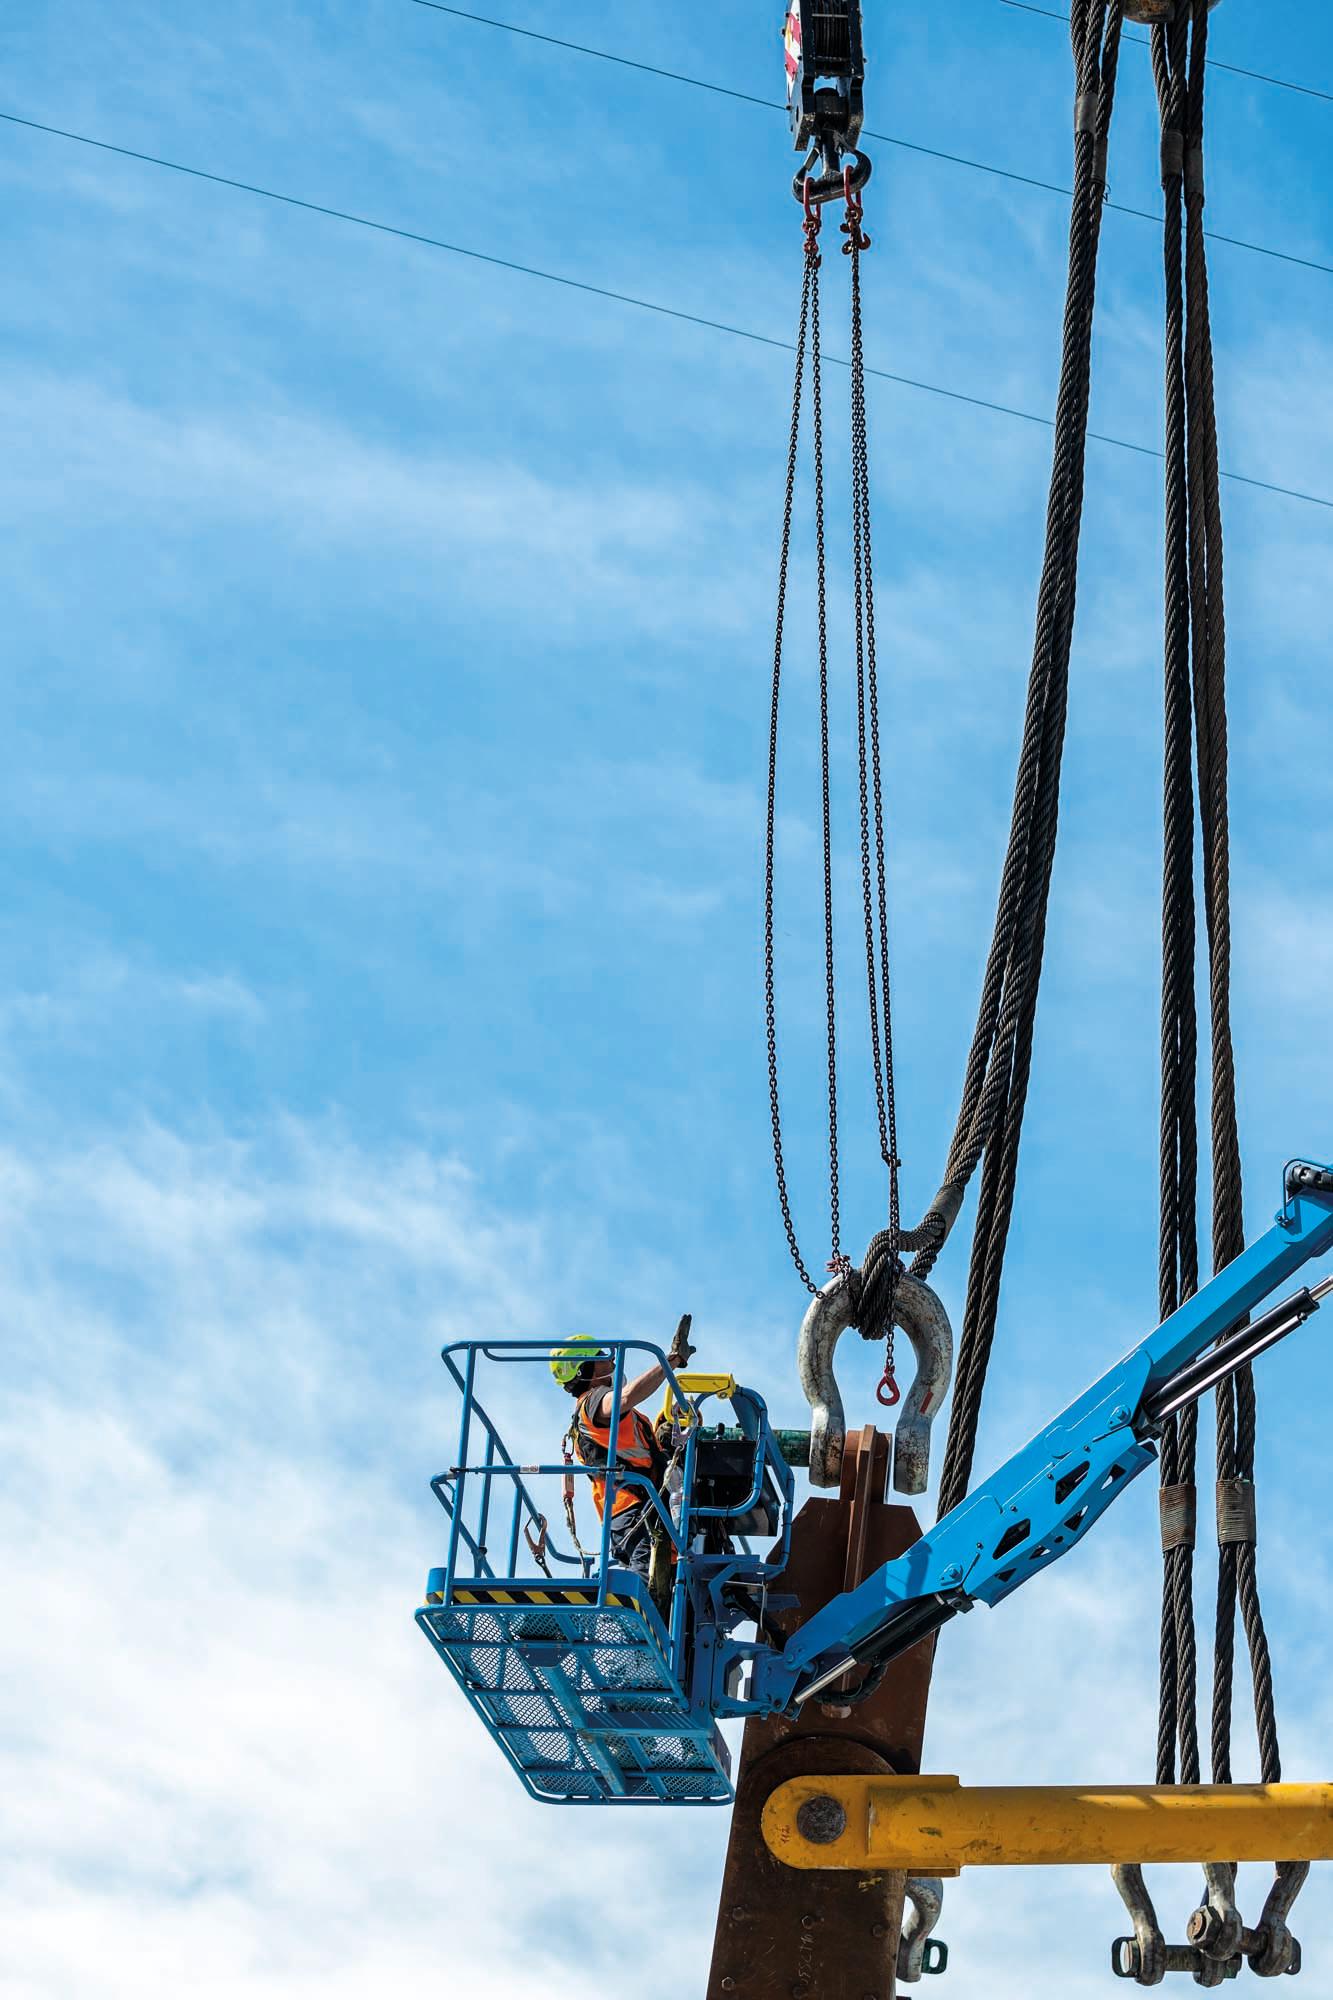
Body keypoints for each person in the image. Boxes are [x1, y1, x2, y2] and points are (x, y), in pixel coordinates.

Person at [549, 1325, 691, 1583]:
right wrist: (670, 1362)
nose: (610, 1359)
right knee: (645, 1579)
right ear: (586, 1370)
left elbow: (644, 1452)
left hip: (645, 1510)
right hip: (631, 1509)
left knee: (664, 1587)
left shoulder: (613, 1415)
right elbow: (624, 1399)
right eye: (600, 1356)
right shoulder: (593, 1402)